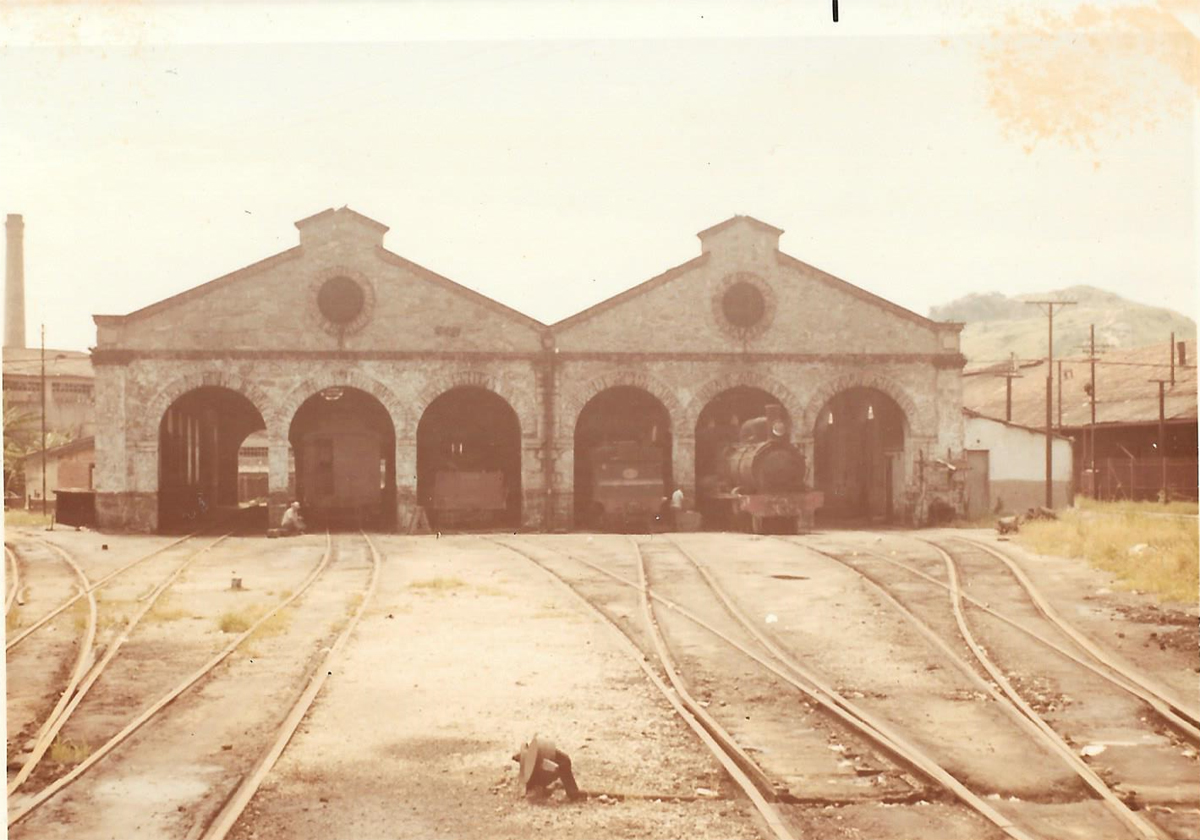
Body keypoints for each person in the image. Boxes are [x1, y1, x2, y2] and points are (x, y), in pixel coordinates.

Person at [513, 735, 583, 801]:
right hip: (552, 762)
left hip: (553, 762)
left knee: (571, 790)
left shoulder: (540, 756)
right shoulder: (538, 756)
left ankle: (569, 790)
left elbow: (552, 767)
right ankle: (569, 790)